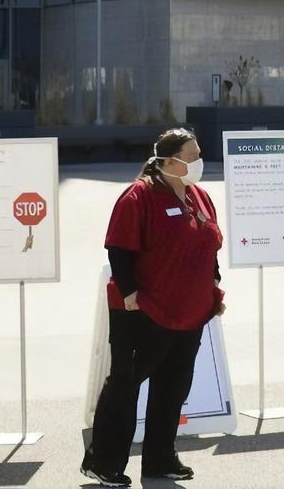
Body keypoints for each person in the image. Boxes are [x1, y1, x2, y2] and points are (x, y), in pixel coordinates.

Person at [81, 127, 225, 488]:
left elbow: (209, 245)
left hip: (189, 310)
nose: (199, 162)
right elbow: (119, 249)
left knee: (173, 386)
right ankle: (104, 462)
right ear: (169, 162)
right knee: (126, 384)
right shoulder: (139, 196)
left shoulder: (199, 196)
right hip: (144, 310)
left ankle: (160, 459)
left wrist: (213, 283)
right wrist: (130, 292)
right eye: (192, 156)